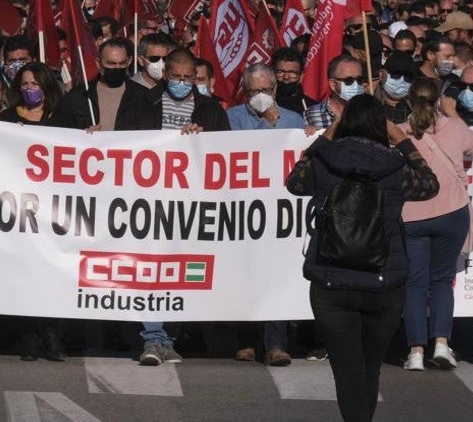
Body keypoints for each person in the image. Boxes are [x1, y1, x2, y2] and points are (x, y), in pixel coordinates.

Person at [285, 95, 439, 421]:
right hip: (384, 281)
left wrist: (326, 135)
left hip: (332, 279)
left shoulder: (324, 161)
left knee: (348, 372)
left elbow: (295, 181)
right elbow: (429, 184)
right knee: (370, 369)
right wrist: (404, 142)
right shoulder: (395, 166)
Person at [117, 47, 229, 365]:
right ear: (165, 75)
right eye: (176, 77)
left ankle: (169, 338)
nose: (182, 83)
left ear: (196, 78)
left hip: (192, 204)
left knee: (181, 271)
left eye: (188, 78)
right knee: (151, 268)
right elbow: (123, 143)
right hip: (150, 201)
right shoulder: (140, 100)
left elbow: (227, 151)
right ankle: (152, 339)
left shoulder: (210, 109)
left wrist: (202, 138)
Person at [227, 64, 306, 367]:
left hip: (280, 210)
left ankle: (276, 344)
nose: (259, 96)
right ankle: (245, 340)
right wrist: (268, 125)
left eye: (264, 90)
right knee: (245, 275)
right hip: (243, 208)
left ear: (274, 89)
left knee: (276, 277)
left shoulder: (294, 119)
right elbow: (240, 150)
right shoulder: (233, 117)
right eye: (252, 91)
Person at [398, 78, 473, 371]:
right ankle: (442, 345)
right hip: (452, 213)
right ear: (437, 101)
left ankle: (416, 352)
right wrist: (452, 112)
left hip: (412, 216)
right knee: (442, 282)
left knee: (414, 285)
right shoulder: (455, 127)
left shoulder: (399, 132)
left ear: (409, 101)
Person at [0, 62, 67, 362]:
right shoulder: (9, 118)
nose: (29, 90)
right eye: (24, 84)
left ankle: (52, 334)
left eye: (35, 84)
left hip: (55, 212)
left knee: (51, 275)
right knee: (24, 274)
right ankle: (29, 337)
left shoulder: (62, 119)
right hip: (22, 210)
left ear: (47, 87)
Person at [54, 38, 139, 131]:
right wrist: (84, 135)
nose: (117, 68)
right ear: (98, 63)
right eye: (111, 63)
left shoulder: (142, 96)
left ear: (128, 62)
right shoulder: (79, 95)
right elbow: (59, 132)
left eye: (122, 63)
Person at [306, 55, 368, 128]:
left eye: (359, 79)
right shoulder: (312, 115)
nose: (355, 85)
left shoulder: (370, 114)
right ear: (333, 84)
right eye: (348, 80)